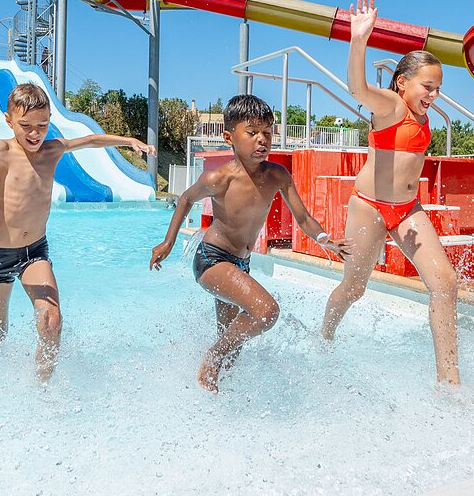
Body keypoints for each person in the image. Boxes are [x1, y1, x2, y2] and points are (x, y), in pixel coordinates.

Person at [0, 82, 154, 380]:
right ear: (9, 121)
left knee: (52, 321)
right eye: (26, 126)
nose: (35, 134)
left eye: (42, 125)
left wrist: (127, 141)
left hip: (34, 252)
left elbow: (91, 140)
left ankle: (42, 388)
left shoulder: (52, 150)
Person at [150, 93, 349, 393]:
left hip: (241, 265)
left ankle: (213, 403)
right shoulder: (221, 177)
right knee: (266, 312)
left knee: (233, 351)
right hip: (212, 260)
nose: (261, 140)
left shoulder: (277, 175)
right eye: (252, 132)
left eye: (267, 133)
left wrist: (325, 240)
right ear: (230, 137)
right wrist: (168, 242)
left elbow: (303, 217)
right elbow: (187, 198)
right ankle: (211, 356)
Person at [320, 0, 461, 385]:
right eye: (427, 87)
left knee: (445, 283)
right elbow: (358, 89)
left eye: (438, 89)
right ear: (403, 83)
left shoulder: (418, 114)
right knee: (353, 289)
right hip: (368, 207)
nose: (433, 96)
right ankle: (325, 336)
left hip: (407, 209)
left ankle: (449, 381)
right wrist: (359, 39)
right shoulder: (392, 107)